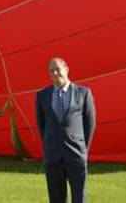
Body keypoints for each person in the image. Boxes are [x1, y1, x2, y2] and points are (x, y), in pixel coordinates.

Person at [36, 57, 96, 203]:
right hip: (53, 156)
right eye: (51, 71)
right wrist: (49, 145)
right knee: (56, 198)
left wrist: (82, 148)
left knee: (80, 197)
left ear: (66, 69)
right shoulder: (42, 96)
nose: (55, 73)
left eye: (58, 69)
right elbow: (41, 125)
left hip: (75, 155)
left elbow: (90, 123)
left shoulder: (83, 93)